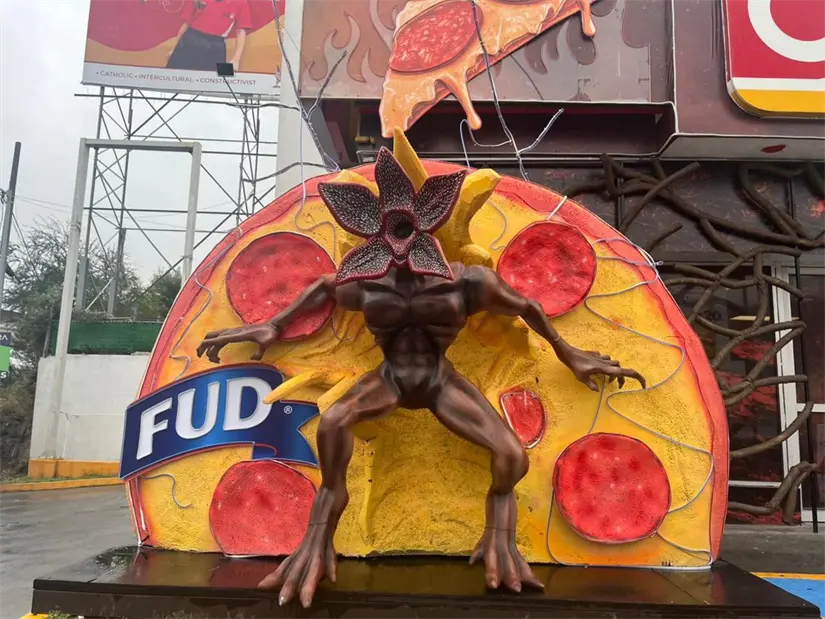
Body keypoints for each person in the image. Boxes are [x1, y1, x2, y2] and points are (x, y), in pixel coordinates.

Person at [166, 0, 251, 72]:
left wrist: (236, 60)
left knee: (217, 82)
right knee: (174, 76)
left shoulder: (241, 3)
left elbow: (241, 31)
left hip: (216, 47)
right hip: (190, 40)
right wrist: (174, 48)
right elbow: (186, 23)